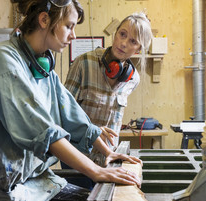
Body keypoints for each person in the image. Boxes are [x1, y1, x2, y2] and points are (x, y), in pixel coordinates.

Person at [0, 0, 141, 201]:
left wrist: (108, 153)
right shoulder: (3, 60)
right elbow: (44, 133)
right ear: (44, 20)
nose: (73, 35)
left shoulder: (40, 66)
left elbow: (73, 116)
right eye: (69, 26)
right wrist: (97, 171)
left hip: (19, 180)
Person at [64, 12, 152, 169]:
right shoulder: (83, 63)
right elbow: (63, 113)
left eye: (132, 41)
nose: (124, 43)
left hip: (108, 159)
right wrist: (93, 130)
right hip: (77, 157)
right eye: (122, 34)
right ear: (115, 33)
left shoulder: (133, 79)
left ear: (138, 49)